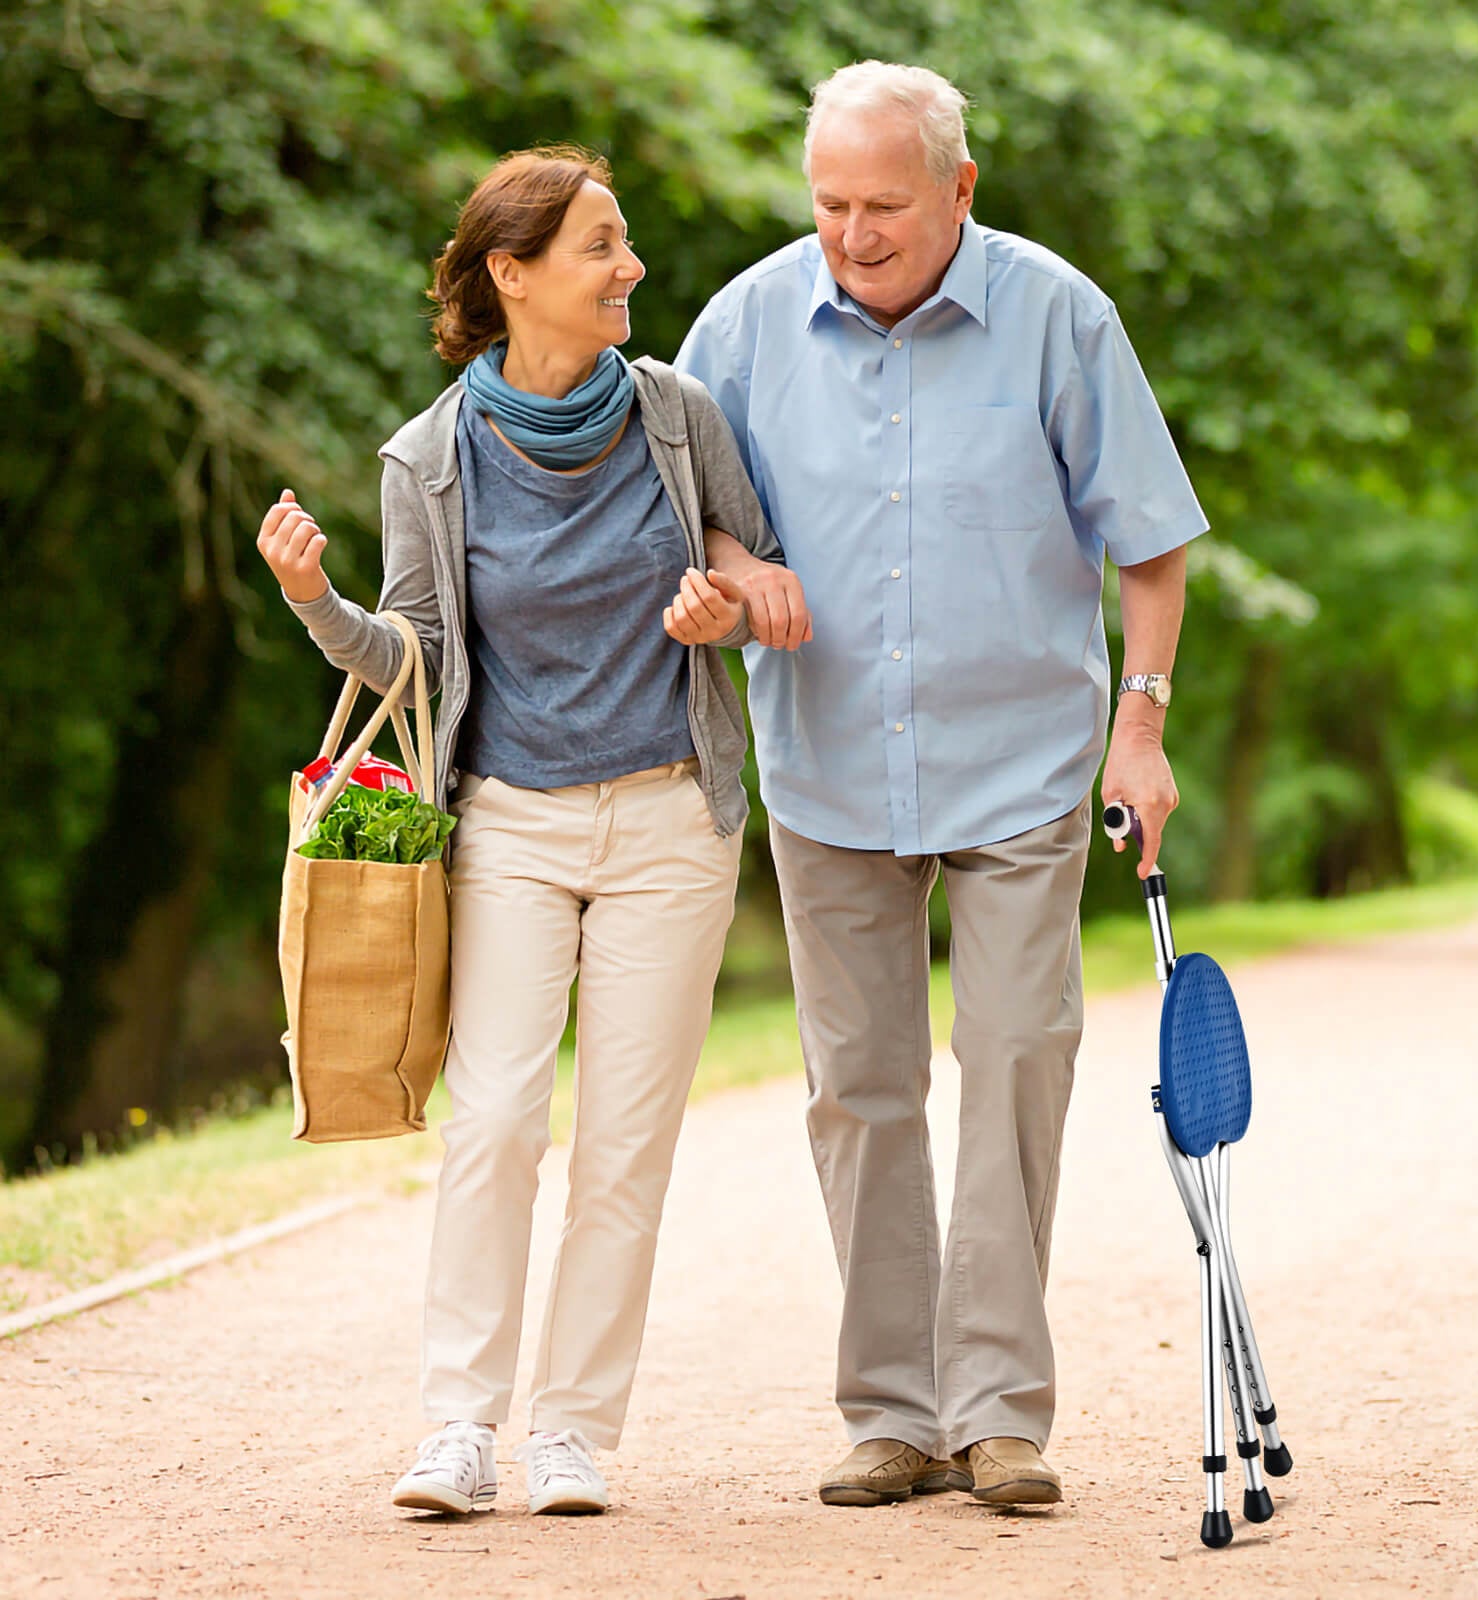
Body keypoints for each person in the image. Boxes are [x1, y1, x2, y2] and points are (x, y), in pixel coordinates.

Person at [678, 62, 1207, 1508]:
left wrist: (1141, 729)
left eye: (886, 207)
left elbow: (1150, 541)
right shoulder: (738, 326)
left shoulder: (1059, 317)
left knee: (1021, 1055)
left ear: (960, 191)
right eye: (832, 203)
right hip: (827, 765)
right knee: (857, 1087)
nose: (853, 234)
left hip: (1022, 762)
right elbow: (689, 527)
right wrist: (737, 576)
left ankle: (999, 1413)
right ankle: (895, 1414)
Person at [256, 146, 806, 1518]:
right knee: (496, 1119)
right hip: (509, 824)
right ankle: (459, 1423)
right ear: (513, 274)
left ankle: (571, 1430)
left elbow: (749, 567)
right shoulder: (430, 458)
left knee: (627, 1140)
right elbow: (417, 658)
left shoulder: (678, 415)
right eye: (600, 247)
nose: (629, 270)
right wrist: (316, 601)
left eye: (622, 244)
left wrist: (721, 612)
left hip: (672, 817)